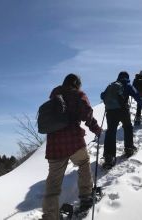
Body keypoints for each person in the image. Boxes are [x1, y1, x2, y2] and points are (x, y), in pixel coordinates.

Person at [42, 73, 102, 220]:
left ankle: (50, 216)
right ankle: (86, 196)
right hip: (73, 141)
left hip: (54, 146)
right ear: (76, 84)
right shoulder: (78, 95)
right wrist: (97, 129)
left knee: (53, 183)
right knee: (83, 162)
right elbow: (87, 114)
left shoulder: (53, 96)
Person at [100, 71, 142, 169]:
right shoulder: (127, 84)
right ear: (127, 77)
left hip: (110, 112)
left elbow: (102, 96)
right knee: (128, 127)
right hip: (123, 111)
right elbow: (136, 94)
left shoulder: (112, 85)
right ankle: (129, 148)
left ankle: (109, 156)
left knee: (111, 131)